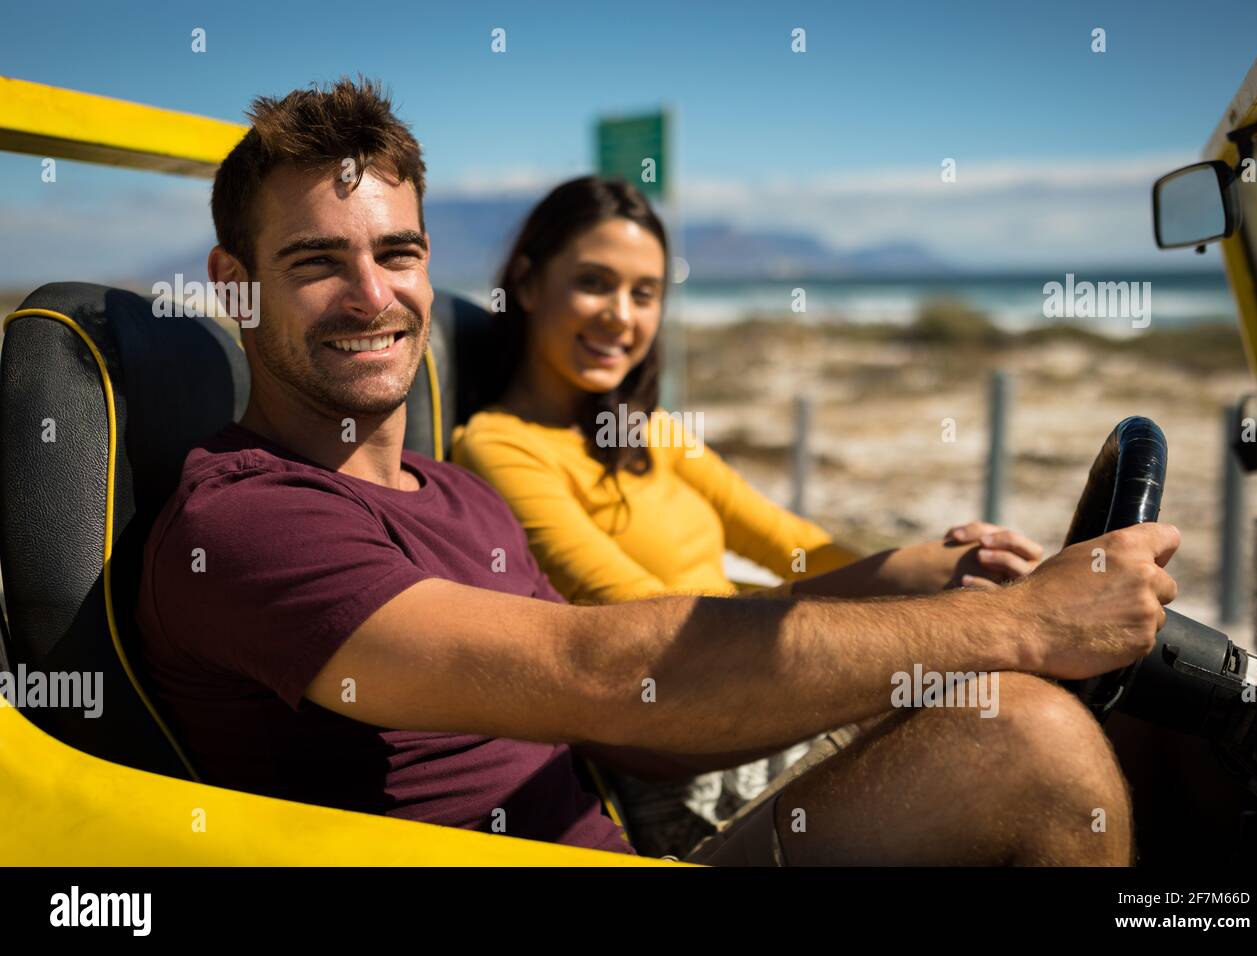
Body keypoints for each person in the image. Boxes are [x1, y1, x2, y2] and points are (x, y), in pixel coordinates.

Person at [138, 76, 1178, 866]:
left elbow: (627, 717)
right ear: (234, 287)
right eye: (317, 263)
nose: (373, 296)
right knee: (1024, 735)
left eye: (398, 253)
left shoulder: (454, 491)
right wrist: (1019, 624)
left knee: (1160, 713)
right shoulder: (246, 519)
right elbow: (606, 669)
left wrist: (914, 577)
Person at [451, 175, 1047, 855]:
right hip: (684, 773)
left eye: (645, 294)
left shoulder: (651, 435)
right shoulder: (498, 445)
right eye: (594, 282)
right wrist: (891, 585)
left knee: (1053, 698)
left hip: (773, 705)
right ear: (527, 285)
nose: (622, 315)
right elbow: (640, 624)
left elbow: (793, 545)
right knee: (1027, 737)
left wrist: (932, 565)